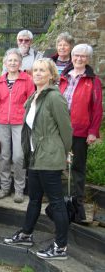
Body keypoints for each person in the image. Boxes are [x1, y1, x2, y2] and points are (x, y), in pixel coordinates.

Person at [4, 58, 72, 260]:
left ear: (51, 74)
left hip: (49, 157)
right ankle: (26, 233)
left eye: (43, 70)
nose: (38, 73)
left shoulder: (54, 98)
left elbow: (66, 130)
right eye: (35, 70)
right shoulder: (35, 95)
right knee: (33, 199)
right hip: (35, 156)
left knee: (57, 202)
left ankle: (61, 247)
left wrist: (61, 152)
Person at [59, 44, 103, 223]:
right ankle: (59, 202)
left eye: (83, 56)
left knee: (77, 169)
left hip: (79, 130)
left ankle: (76, 208)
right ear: (71, 56)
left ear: (88, 59)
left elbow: (97, 108)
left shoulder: (93, 81)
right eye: (76, 55)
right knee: (56, 165)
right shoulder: (62, 77)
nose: (79, 59)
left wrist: (92, 131)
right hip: (59, 130)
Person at [0, 48, 35, 203]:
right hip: (2, 122)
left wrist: (29, 123)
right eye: (10, 60)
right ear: (5, 63)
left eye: (16, 60)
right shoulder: (0, 80)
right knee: (4, 156)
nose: (13, 63)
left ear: (20, 63)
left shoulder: (27, 80)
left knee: (18, 157)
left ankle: (19, 190)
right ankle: (4, 188)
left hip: (19, 123)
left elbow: (31, 103)